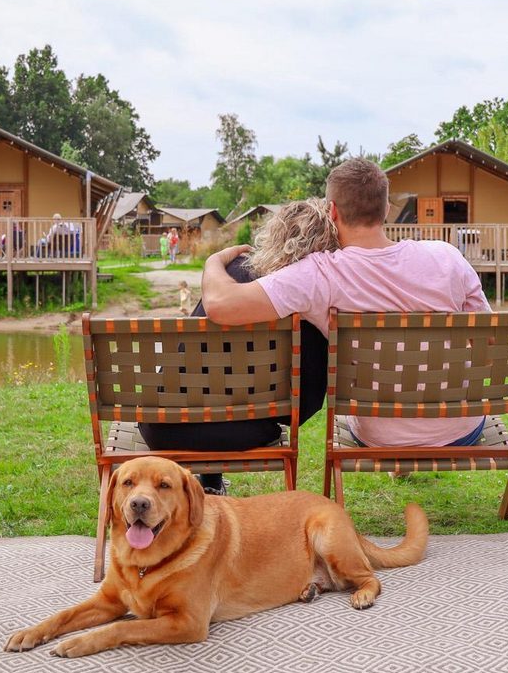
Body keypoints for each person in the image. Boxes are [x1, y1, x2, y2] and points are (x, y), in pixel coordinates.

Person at [203, 157, 490, 449]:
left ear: (332, 212)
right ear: (387, 209)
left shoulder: (320, 274)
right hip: (459, 427)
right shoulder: (447, 257)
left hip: (380, 436)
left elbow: (219, 304)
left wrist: (214, 261)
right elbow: (487, 344)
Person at [139, 199, 336, 492]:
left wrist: (214, 263)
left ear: (275, 233)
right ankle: (212, 483)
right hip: (243, 431)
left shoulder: (230, 275)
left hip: (164, 428)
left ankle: (212, 483)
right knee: (238, 403)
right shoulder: (312, 303)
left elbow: (178, 361)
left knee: (211, 384)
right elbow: (304, 406)